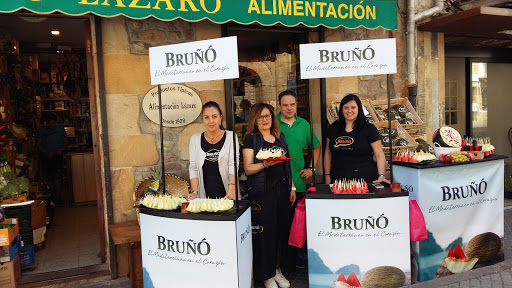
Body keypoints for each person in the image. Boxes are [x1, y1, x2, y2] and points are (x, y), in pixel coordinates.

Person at [243, 103, 296, 288]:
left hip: (282, 190)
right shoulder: (251, 138)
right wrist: (265, 164)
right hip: (263, 192)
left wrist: (292, 187)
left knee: (282, 230)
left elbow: (286, 165)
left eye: (268, 116)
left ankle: (277, 270)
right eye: (261, 117)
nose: (265, 120)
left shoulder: (279, 136)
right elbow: (248, 168)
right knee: (266, 234)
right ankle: (267, 275)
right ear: (255, 120)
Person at [277, 90, 321, 269]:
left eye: (292, 104)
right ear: (279, 106)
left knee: (298, 223)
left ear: (296, 105)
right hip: (279, 182)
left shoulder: (304, 124)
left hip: (299, 180)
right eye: (285, 105)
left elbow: (316, 147)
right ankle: (283, 262)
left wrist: (311, 168)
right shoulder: (272, 123)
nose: (289, 108)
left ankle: (298, 259)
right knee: (283, 223)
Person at [324, 94, 390, 185]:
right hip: (339, 180)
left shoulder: (369, 129)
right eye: (346, 107)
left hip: (364, 179)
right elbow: (327, 153)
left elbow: (379, 154)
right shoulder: (333, 128)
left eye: (353, 107)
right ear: (341, 110)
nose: (349, 111)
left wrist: (381, 175)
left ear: (359, 109)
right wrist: (327, 175)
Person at [188, 101, 239, 200]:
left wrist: (232, 187)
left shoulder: (230, 137)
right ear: (202, 119)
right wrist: (194, 191)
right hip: (204, 197)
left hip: (228, 194)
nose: (211, 121)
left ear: (220, 118)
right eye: (207, 117)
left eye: (214, 116)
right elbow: (193, 167)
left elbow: (233, 164)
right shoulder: (195, 139)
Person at [37, 113, 68, 204]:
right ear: (47, 123)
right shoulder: (42, 131)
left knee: (57, 177)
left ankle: (58, 197)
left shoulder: (60, 130)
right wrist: (46, 152)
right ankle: (49, 198)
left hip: (57, 157)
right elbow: (38, 144)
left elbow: (66, 142)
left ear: (56, 122)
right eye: (50, 123)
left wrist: (61, 149)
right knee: (47, 178)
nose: (51, 125)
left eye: (53, 123)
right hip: (46, 158)